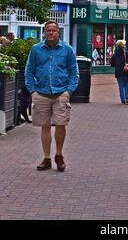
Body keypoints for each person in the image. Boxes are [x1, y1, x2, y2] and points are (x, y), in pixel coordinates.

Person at [25, 21, 79, 172]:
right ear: (44, 33)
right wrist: (32, 91)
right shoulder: (36, 50)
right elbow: (29, 71)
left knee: (61, 124)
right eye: (48, 30)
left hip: (61, 92)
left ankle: (59, 155)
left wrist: (69, 91)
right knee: (45, 126)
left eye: (53, 30)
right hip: (41, 93)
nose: (50, 33)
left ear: (58, 32)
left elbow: (74, 72)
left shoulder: (67, 50)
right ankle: (47, 158)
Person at [111, 40, 128, 105]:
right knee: (126, 84)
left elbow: (112, 64)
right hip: (126, 71)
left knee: (120, 86)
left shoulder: (115, 55)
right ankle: (127, 97)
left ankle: (123, 99)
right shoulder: (126, 53)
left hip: (118, 72)